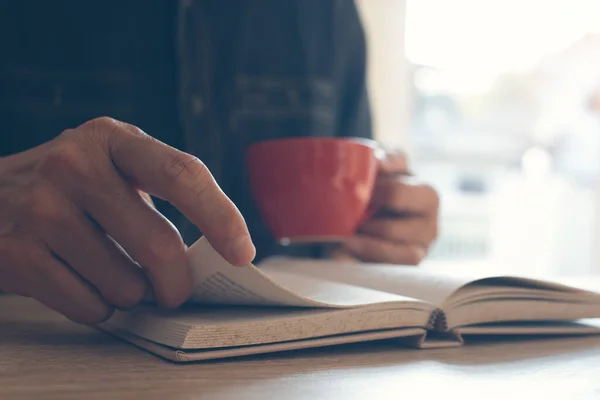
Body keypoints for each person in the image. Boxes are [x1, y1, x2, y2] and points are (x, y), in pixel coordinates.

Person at [0, 0, 439, 324]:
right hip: (60, 351)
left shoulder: (329, 13)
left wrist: (388, 218)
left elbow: (354, 194)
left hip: (297, 365)